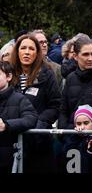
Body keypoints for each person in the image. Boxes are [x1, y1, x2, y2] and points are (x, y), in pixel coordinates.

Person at [9, 34, 61, 172]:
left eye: (31, 49)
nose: (27, 52)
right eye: (23, 48)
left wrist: (38, 122)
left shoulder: (47, 74)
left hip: (38, 140)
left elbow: (55, 105)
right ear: (17, 51)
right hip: (11, 138)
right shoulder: (8, 75)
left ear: (37, 53)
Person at [0, 61, 37, 173]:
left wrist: (6, 125)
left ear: (9, 76)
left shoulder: (19, 99)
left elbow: (31, 118)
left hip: (10, 159)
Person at [62, 104, 92, 173]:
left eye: (86, 123)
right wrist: (76, 137)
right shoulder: (72, 137)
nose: (82, 127)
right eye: (79, 124)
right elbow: (66, 155)